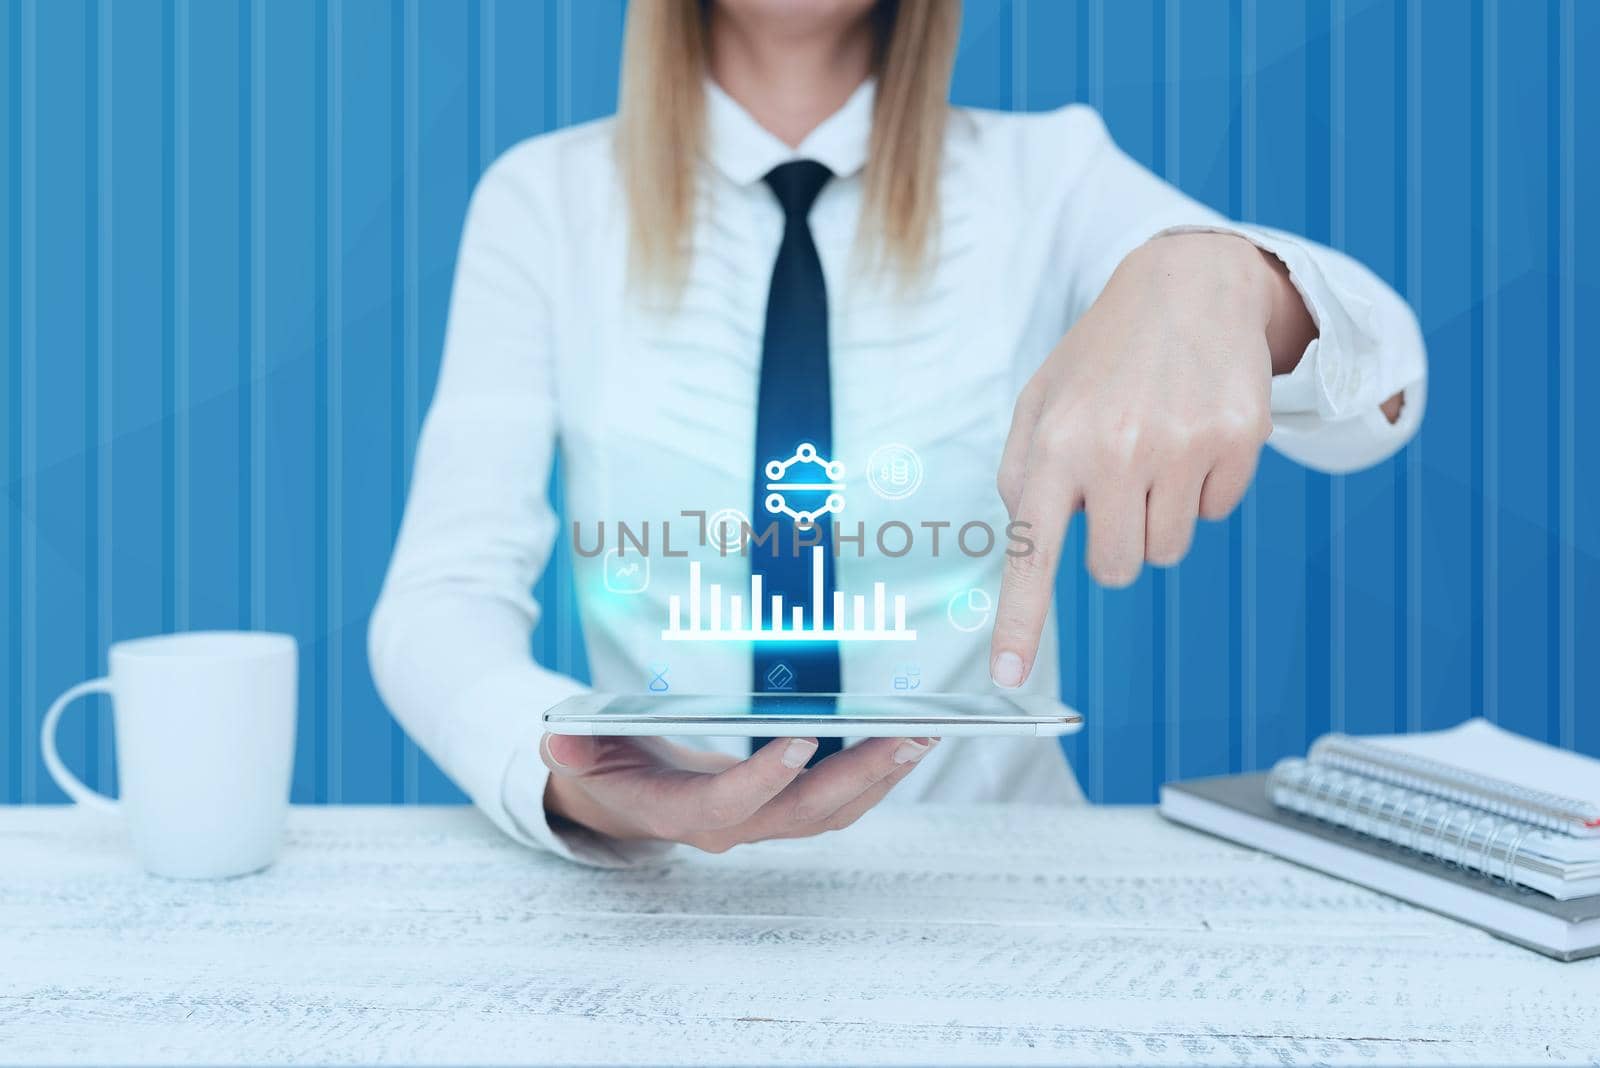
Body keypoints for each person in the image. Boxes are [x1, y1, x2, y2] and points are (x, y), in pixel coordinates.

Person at [369, 0, 1425, 866]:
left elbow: (1384, 403)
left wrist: (1221, 275)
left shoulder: (1048, 177)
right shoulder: (545, 202)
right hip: (669, 903)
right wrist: (579, 778)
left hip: (1002, 885)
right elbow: (441, 601)